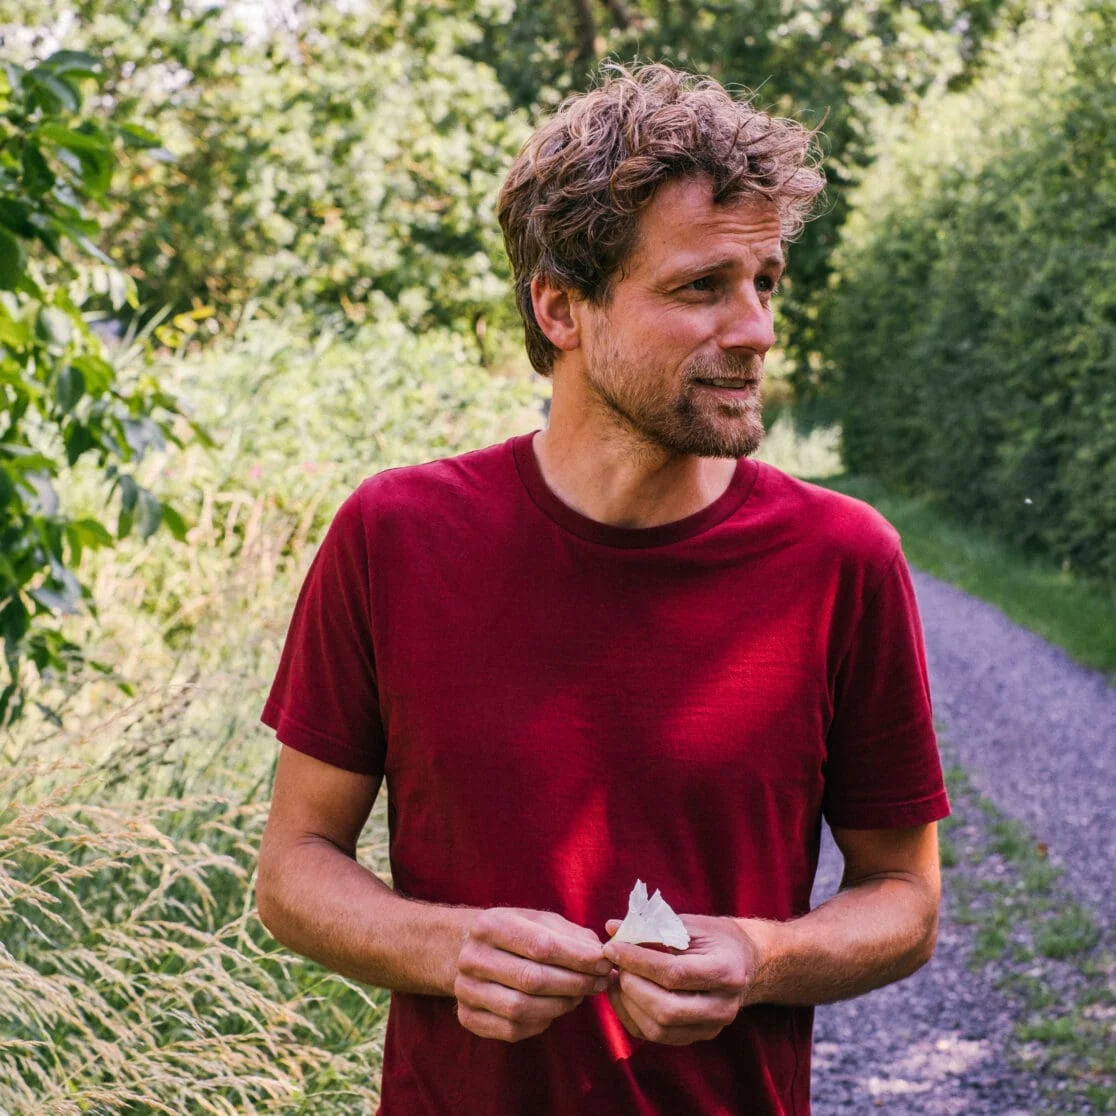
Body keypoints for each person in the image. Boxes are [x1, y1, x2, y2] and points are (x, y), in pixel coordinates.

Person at [256, 62, 950, 1115]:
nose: (756, 326)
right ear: (561, 307)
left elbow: (904, 896)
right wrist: (449, 947)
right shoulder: (394, 536)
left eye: (765, 281)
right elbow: (294, 868)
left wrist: (759, 957)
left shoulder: (843, 559)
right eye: (700, 287)